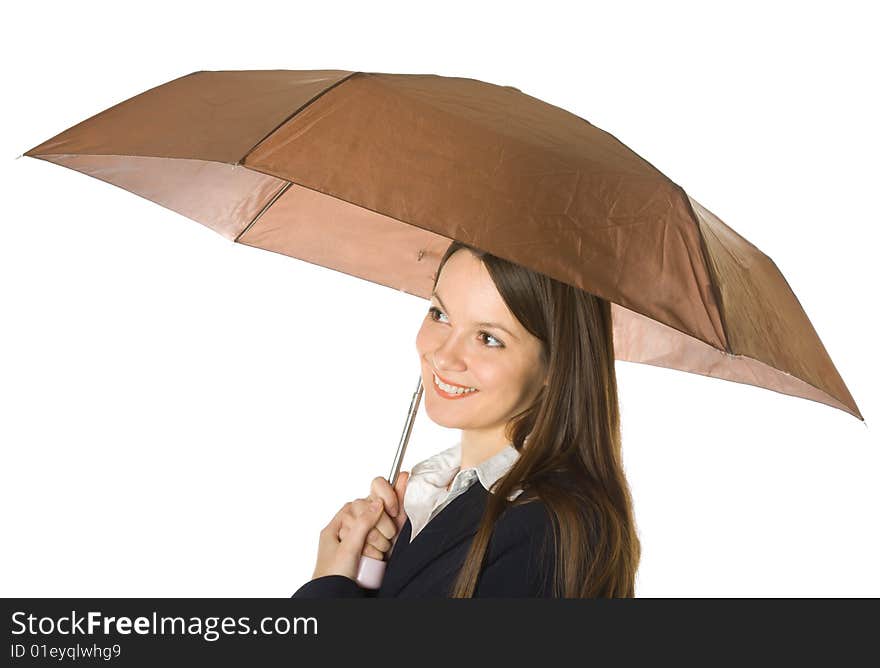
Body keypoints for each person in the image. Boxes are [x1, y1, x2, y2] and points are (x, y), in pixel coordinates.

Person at [292, 241, 641, 598]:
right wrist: (370, 572)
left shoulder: (547, 532)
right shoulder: (434, 503)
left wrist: (327, 585)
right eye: (440, 315)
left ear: (555, 364)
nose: (444, 356)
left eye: (488, 338)